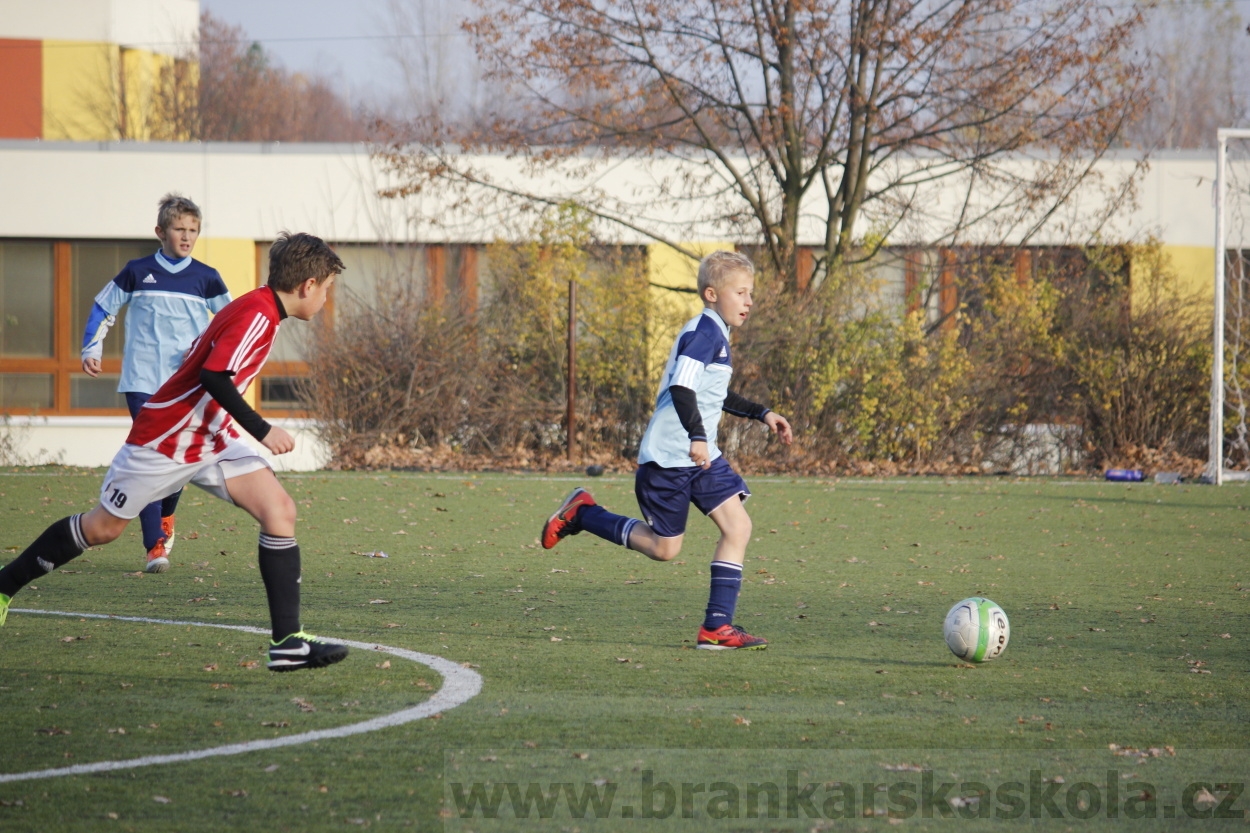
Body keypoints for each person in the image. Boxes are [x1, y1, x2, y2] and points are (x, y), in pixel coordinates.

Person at [1, 232, 349, 672]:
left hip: (210, 437)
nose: (326, 298)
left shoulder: (260, 306)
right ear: (307, 285)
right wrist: (262, 430)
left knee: (279, 511)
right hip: (166, 439)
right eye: (327, 289)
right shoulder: (258, 315)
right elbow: (214, 376)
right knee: (103, 528)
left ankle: (287, 644)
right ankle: (3, 586)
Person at [541, 250, 792, 650]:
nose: (749, 301)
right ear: (712, 294)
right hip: (670, 457)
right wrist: (696, 435)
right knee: (664, 549)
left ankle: (717, 627)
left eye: (751, 293)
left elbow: (714, 394)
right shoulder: (704, 333)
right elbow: (682, 388)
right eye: (741, 292)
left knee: (738, 527)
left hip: (701, 456)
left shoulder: (717, 333)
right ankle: (582, 513)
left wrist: (762, 413)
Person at [81, 193, 233, 573]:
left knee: (178, 459)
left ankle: (166, 515)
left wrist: (224, 364)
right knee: (150, 456)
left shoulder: (207, 278)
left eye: (193, 230)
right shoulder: (137, 271)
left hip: (186, 386)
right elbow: (103, 307)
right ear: (160, 232)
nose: (187, 236)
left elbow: (231, 324)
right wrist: (91, 348)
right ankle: (155, 545)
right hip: (142, 381)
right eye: (179, 229)